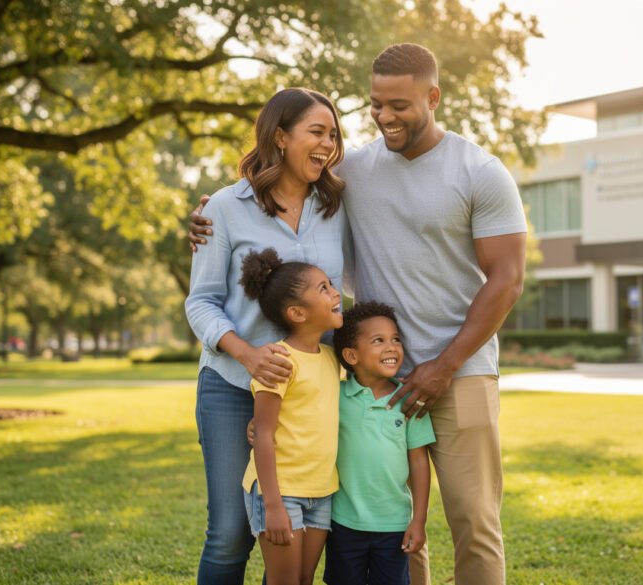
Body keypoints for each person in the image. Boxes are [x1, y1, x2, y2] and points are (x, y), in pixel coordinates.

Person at [190, 43, 526, 585]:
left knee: (474, 523)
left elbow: (507, 279)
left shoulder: (475, 173)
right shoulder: (353, 173)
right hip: (358, 381)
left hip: (455, 373)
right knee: (381, 527)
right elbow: (274, 189)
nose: (384, 117)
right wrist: (209, 211)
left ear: (433, 97)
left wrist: (442, 366)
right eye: (376, 105)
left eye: (400, 105)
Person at [185, 87, 349, 585]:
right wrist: (247, 354)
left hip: (308, 395)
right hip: (232, 386)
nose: (328, 144)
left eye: (334, 134)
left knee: (301, 529)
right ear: (280, 136)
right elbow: (201, 300)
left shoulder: (337, 205)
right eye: (316, 132)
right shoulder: (224, 207)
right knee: (231, 531)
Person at [238, 248, 343, 585]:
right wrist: (272, 505)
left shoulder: (332, 358)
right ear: (297, 312)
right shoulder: (279, 361)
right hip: (280, 492)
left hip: (322, 490)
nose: (336, 293)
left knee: (303, 580)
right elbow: (264, 435)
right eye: (324, 289)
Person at [326, 301, 435, 585]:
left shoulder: (410, 399)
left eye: (396, 339)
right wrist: (257, 425)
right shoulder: (334, 397)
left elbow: (419, 461)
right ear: (351, 355)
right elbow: (301, 419)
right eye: (378, 341)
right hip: (343, 523)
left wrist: (418, 519)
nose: (392, 347)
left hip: (394, 525)